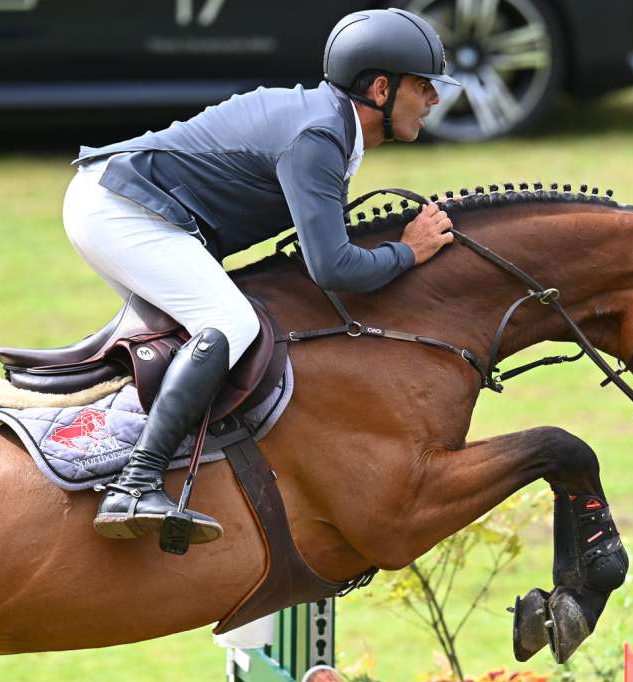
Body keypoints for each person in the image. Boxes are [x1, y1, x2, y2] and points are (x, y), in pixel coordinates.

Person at [63, 8, 459, 545]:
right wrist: (407, 253)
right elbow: (333, 268)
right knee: (230, 322)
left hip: (121, 203)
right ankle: (135, 484)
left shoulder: (329, 126)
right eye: (423, 86)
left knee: (207, 332)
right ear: (382, 88)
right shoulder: (319, 136)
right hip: (121, 209)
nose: (434, 100)